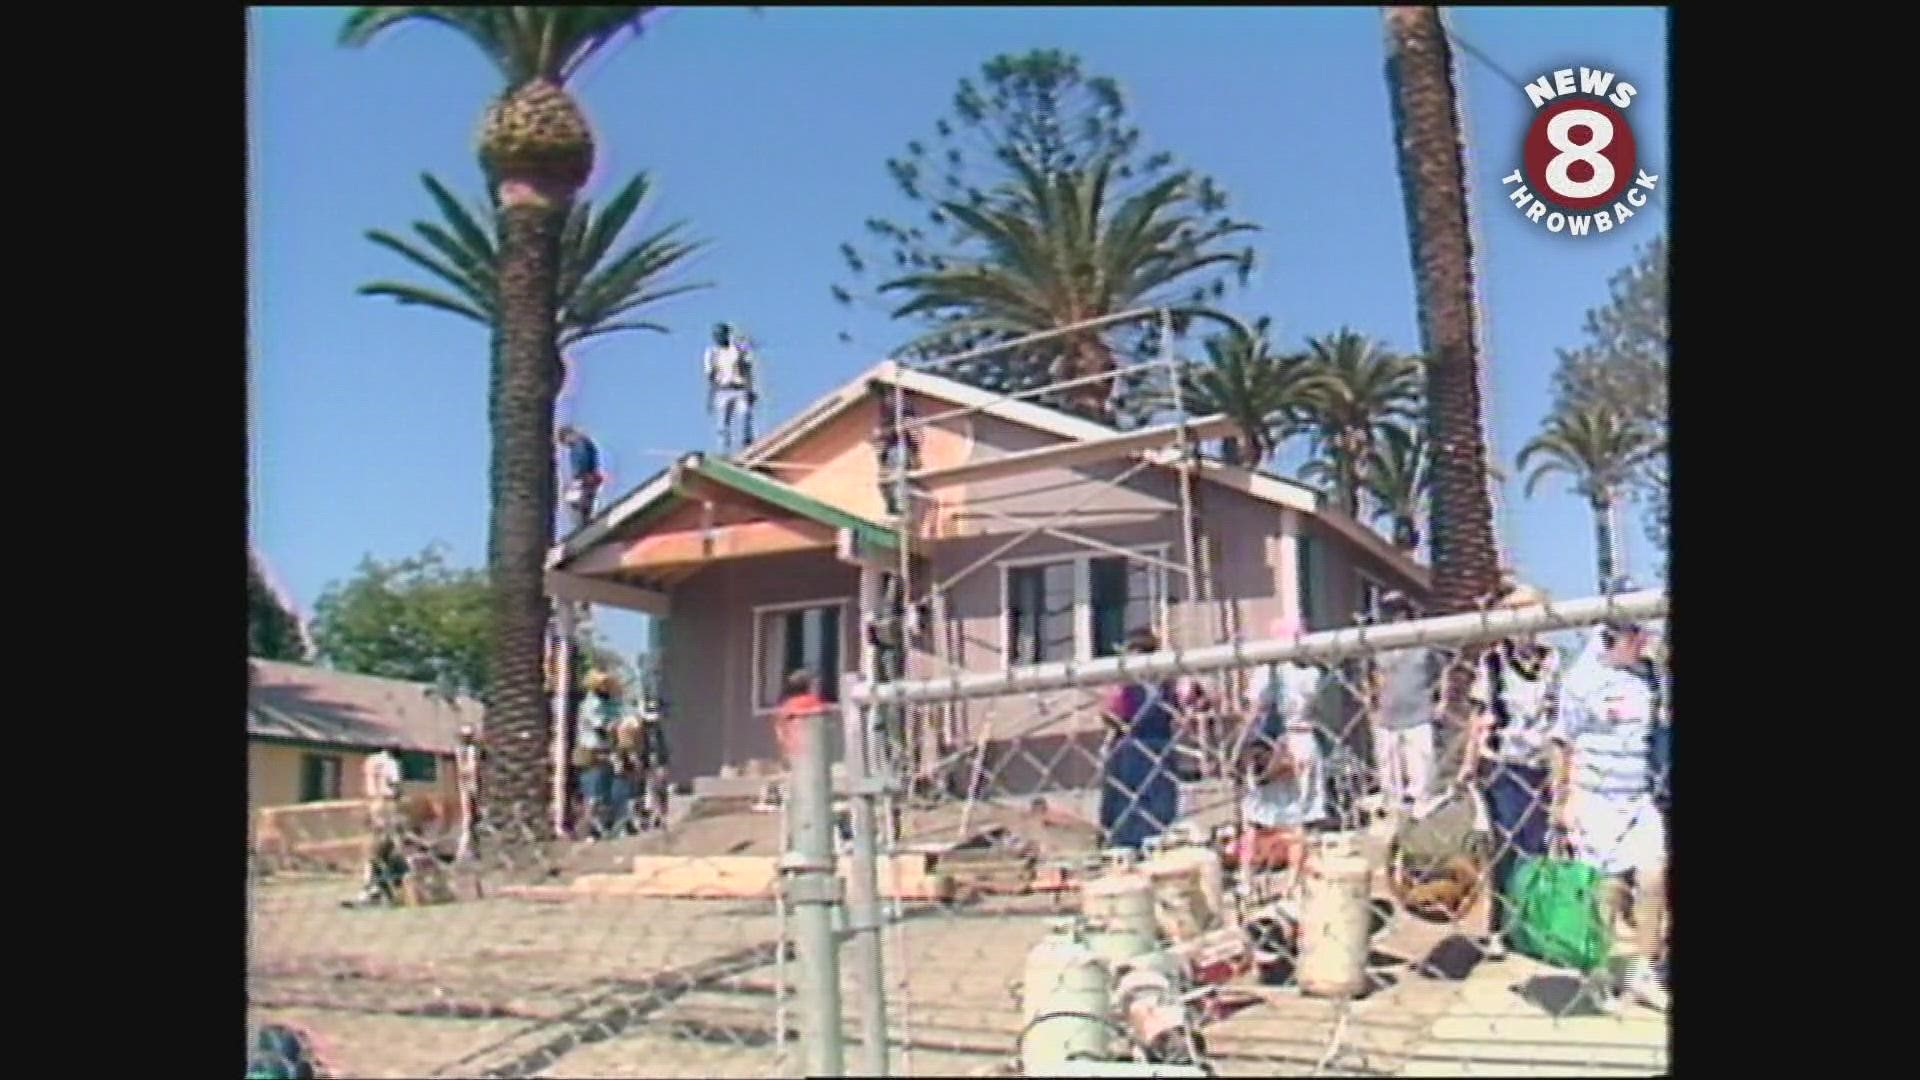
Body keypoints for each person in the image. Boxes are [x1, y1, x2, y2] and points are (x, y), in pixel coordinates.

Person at [1550, 617, 1668, 1012]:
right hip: (1595, 798)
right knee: (1607, 888)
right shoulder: (1581, 680)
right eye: (1636, 635)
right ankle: (1598, 973)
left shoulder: (1647, 676)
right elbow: (1562, 742)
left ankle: (1643, 973)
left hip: (1638, 795)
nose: (1644, 642)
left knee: (1653, 875)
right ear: (1613, 637)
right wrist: (1562, 801)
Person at [1455, 584, 1562, 961]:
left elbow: (1560, 717)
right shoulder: (1494, 662)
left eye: (1530, 612)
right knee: (1504, 846)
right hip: (1503, 766)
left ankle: (1531, 926)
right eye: (1514, 613)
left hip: (1541, 765)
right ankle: (1499, 927)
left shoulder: (1553, 661)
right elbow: (1479, 716)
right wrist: (1468, 766)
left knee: (1538, 846)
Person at [1231, 617, 1329, 894]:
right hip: (1305, 738)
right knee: (1301, 818)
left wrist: (1239, 746)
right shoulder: (1312, 673)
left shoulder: (1269, 669)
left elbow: (1255, 709)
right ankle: (1293, 884)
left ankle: (1246, 878)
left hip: (1272, 743)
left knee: (1253, 815)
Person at [1098, 629, 1181, 852]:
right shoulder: (1164, 682)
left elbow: (1111, 714)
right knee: (1146, 802)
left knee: (1134, 804)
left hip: (1136, 748)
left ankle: (1131, 844)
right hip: (1152, 745)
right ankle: (1142, 843)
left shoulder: (1133, 683)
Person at [1367, 592, 1443, 823]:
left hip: (1419, 714)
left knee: (1421, 772)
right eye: (1389, 612)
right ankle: (1394, 816)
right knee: (1389, 775)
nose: (1395, 617)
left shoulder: (1423, 644)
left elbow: (1443, 671)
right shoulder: (1380, 646)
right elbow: (1371, 676)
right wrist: (1371, 705)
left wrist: (1442, 701)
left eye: (1399, 611)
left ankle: (1421, 818)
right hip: (1387, 717)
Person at [575, 671, 622, 840]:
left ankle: (601, 828)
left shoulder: (607, 703)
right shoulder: (591, 704)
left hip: (604, 751)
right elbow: (601, 727)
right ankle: (587, 830)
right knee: (592, 793)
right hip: (591, 751)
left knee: (604, 792)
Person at [867, 378, 921, 515]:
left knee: (897, 478)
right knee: (884, 481)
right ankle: (893, 508)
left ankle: (900, 508)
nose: (883, 396)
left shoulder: (901, 404)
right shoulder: (885, 406)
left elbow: (910, 426)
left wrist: (915, 454)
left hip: (899, 447)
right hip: (889, 448)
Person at [705, 323, 757, 455]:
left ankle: (747, 443)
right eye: (716, 336)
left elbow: (749, 352)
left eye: (721, 334)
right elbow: (711, 376)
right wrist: (710, 397)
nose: (718, 338)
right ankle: (723, 451)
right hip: (723, 390)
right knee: (723, 423)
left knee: (745, 414)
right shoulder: (712, 353)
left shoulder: (737, 347)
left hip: (740, 388)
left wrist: (751, 390)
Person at [556, 426, 605, 531]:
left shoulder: (580, 444)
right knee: (584, 499)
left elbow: (581, 460)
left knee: (579, 501)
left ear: (568, 436)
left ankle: (584, 523)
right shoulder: (584, 443)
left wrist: (579, 475)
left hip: (585, 476)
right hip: (589, 476)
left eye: (565, 441)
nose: (566, 445)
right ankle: (586, 520)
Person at [454, 724, 483, 862]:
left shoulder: (473, 750)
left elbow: (473, 769)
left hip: (472, 786)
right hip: (466, 786)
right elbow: (463, 770)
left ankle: (470, 849)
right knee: (467, 819)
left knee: (473, 818)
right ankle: (465, 850)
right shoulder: (461, 751)